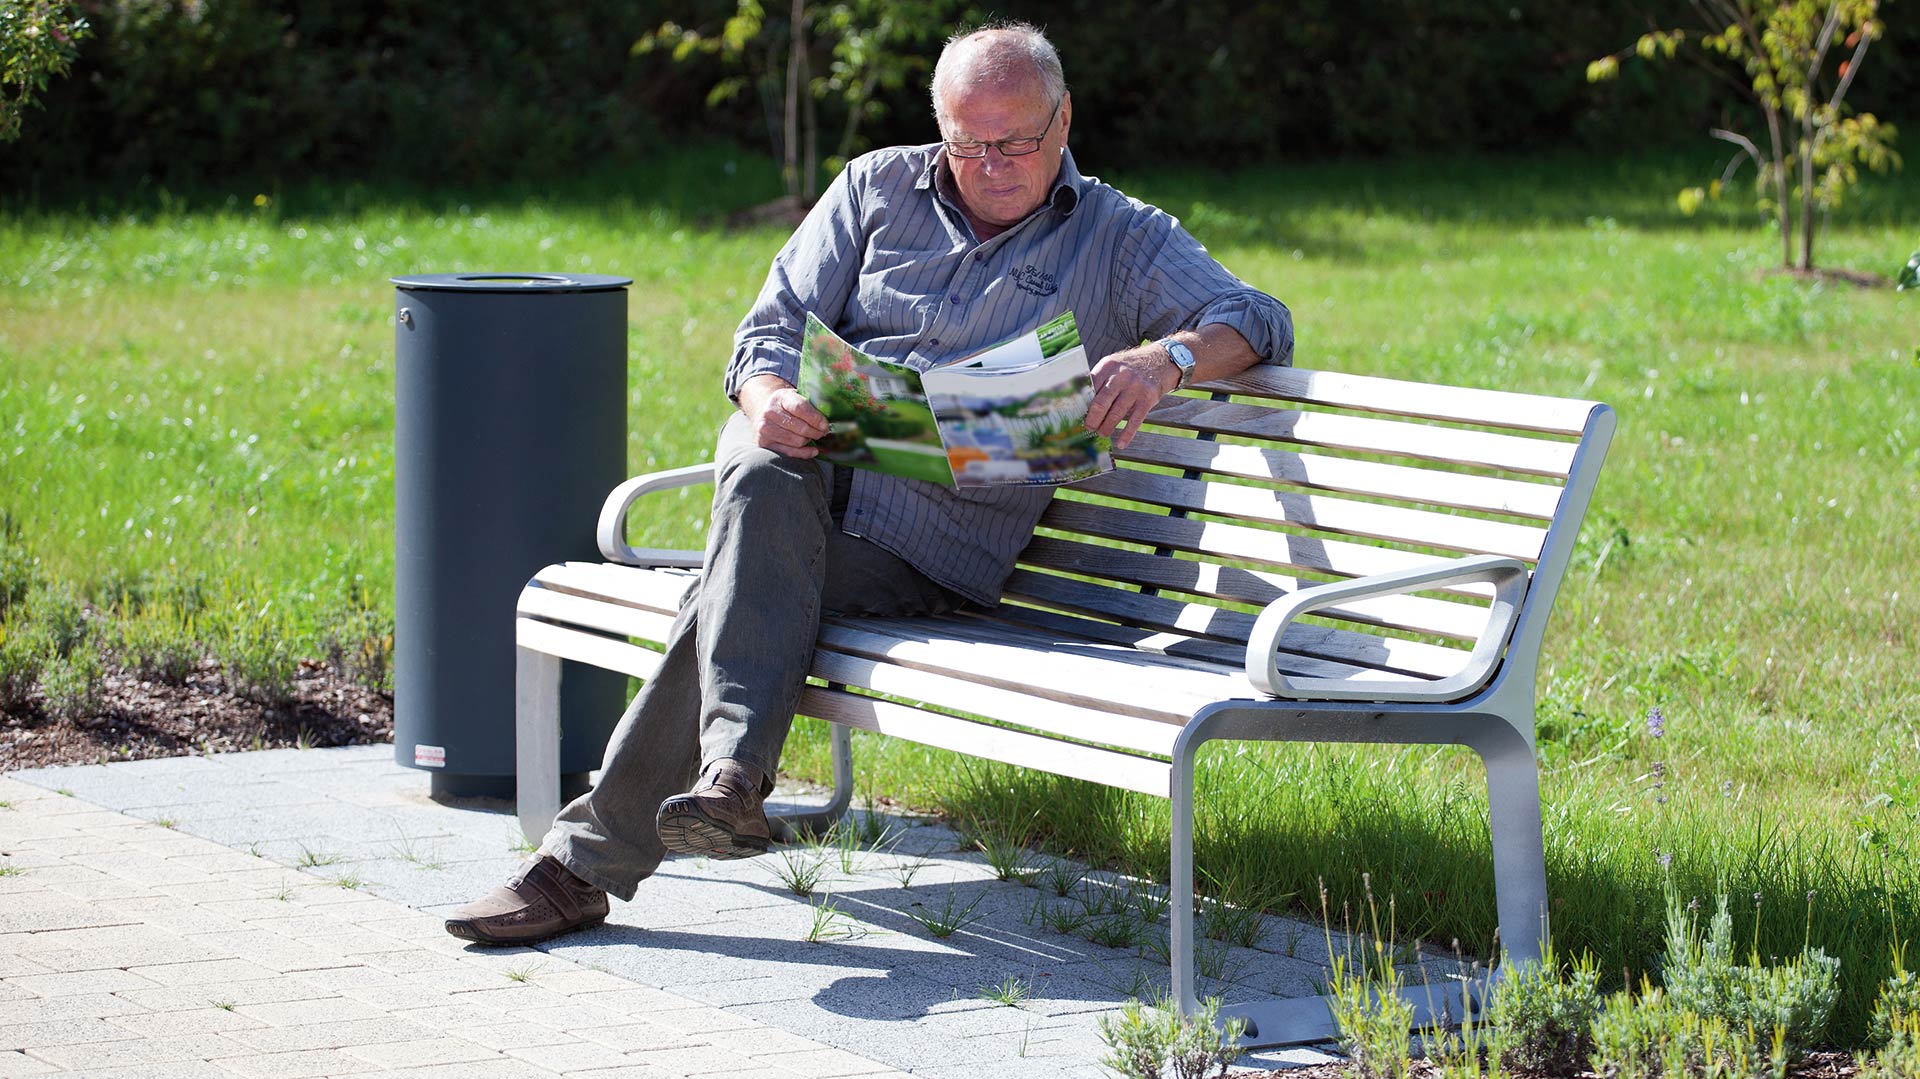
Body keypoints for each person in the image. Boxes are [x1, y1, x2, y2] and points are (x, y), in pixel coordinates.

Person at [445, 21, 1293, 946]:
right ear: (940, 127)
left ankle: (610, 850)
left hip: (927, 550)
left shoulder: (1119, 237)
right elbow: (767, 333)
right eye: (969, 143)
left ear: (1064, 122)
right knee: (761, 457)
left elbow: (1256, 314)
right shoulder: (877, 186)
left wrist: (1168, 356)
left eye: (1017, 141)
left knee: (730, 584)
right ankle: (718, 785)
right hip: (804, 484)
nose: (993, 164)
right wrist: (767, 395)